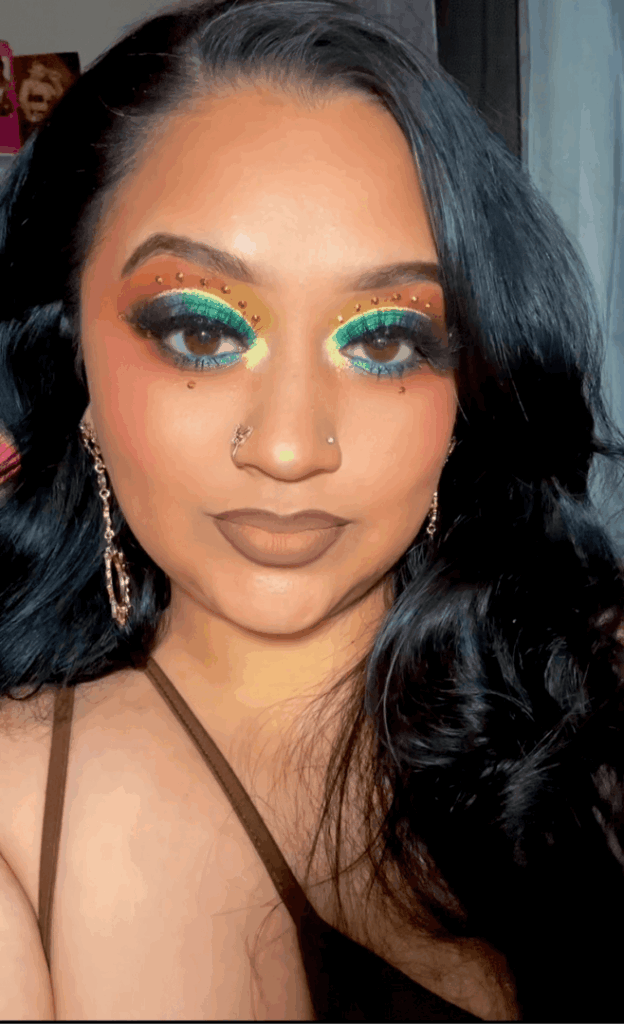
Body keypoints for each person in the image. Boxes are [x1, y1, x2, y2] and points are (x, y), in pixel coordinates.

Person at [0, 0, 623, 1018]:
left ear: (465, 387)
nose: (290, 449)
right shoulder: (21, 837)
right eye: (201, 332)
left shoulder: (582, 687)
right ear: (74, 361)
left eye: (382, 340)